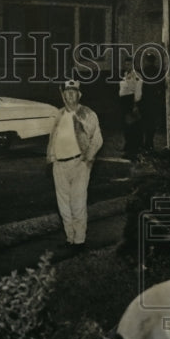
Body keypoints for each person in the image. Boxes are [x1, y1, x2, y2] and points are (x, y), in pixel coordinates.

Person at [46, 79, 103, 250]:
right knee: (63, 204)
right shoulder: (59, 114)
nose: (70, 96)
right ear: (63, 95)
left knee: (77, 203)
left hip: (79, 163)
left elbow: (97, 139)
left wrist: (87, 159)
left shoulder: (87, 114)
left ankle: (79, 240)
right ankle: (69, 237)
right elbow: (52, 138)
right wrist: (51, 157)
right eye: (67, 93)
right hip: (59, 165)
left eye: (73, 93)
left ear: (79, 94)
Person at [138, 51, 165, 154]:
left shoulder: (142, 72)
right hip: (153, 100)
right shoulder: (159, 72)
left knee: (145, 122)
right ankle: (149, 142)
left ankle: (146, 143)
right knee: (152, 123)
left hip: (145, 100)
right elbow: (161, 87)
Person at [118, 57, 143, 159]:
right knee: (127, 126)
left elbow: (138, 91)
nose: (126, 66)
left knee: (131, 127)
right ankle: (129, 147)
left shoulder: (136, 76)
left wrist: (135, 105)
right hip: (125, 102)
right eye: (126, 64)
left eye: (129, 64)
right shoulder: (125, 74)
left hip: (131, 102)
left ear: (133, 65)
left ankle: (132, 150)